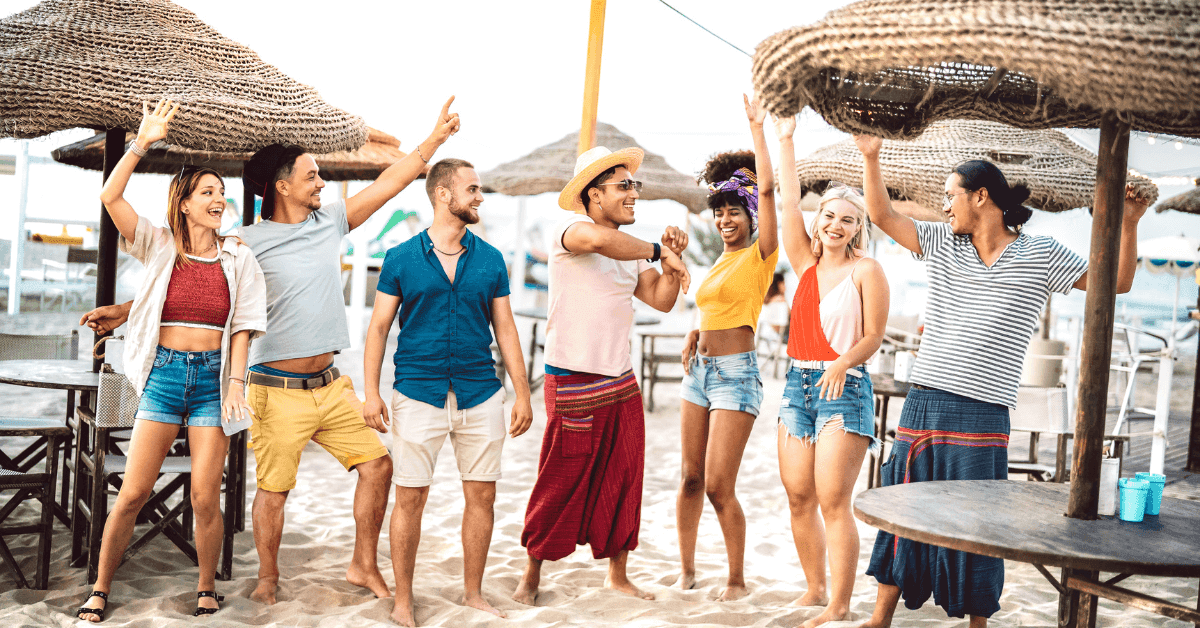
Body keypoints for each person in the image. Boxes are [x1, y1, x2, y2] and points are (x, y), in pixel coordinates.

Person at [852, 135, 1150, 628]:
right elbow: (882, 217)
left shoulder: (1042, 254)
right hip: (926, 398)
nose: (945, 205)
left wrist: (1130, 224)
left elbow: (1115, 283)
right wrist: (870, 156)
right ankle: (879, 617)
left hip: (985, 408)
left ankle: (978, 624)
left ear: (981, 196)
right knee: (904, 505)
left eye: (951, 195)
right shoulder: (942, 243)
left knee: (978, 521)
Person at [77, 99, 267, 621]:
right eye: (208, 192)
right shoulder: (158, 245)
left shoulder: (239, 256)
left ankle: (206, 587)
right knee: (135, 492)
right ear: (183, 202)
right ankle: (99, 588)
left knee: (207, 497)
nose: (219, 200)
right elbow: (110, 194)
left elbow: (246, 326)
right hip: (162, 376)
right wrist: (142, 142)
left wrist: (234, 381)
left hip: (213, 382)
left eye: (221, 193)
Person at [510, 145, 691, 605]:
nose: (634, 194)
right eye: (623, 186)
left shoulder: (630, 250)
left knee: (625, 477)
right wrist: (656, 250)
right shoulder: (568, 230)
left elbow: (662, 299)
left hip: (621, 380)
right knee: (561, 477)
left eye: (635, 185)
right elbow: (597, 242)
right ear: (593, 194)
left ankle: (617, 574)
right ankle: (531, 574)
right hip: (573, 378)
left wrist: (667, 259)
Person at [362, 158, 534, 626]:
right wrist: (371, 394)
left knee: (483, 498)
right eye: (473, 189)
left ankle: (474, 592)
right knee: (410, 498)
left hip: (482, 393)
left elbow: (507, 329)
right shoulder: (400, 258)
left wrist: (522, 393)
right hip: (417, 393)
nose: (480, 196)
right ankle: (402, 600)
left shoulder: (492, 259)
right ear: (444, 194)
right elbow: (378, 329)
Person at [773, 116, 889, 628]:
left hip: (846, 388)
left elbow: (873, 336)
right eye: (827, 215)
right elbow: (783, 202)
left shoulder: (867, 270)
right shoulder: (804, 264)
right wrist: (785, 139)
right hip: (798, 385)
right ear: (817, 219)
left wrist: (843, 362)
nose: (834, 225)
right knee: (798, 495)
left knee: (832, 500)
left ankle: (841, 604)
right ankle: (815, 589)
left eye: (846, 219)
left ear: (858, 227)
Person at [674, 95, 779, 601]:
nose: (724, 220)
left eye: (733, 211)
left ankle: (736, 579)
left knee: (718, 485)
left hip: (737, 375)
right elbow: (713, 305)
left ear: (750, 214)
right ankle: (687, 570)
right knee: (690, 478)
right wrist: (697, 329)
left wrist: (757, 130)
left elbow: (771, 189)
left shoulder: (762, 253)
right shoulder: (719, 261)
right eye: (719, 213)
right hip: (699, 372)